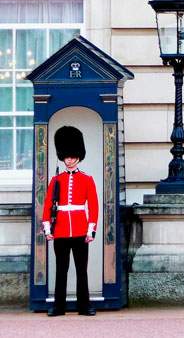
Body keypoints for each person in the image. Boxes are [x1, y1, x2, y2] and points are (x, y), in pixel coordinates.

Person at [42, 126, 98, 317]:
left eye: (73, 156)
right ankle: (59, 307)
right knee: (61, 270)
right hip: (61, 231)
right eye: (67, 156)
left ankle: (85, 306)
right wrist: (48, 227)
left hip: (81, 230)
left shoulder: (87, 179)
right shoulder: (56, 180)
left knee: (82, 271)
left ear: (78, 157)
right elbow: (48, 205)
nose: (70, 159)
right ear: (63, 157)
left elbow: (94, 206)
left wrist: (91, 230)